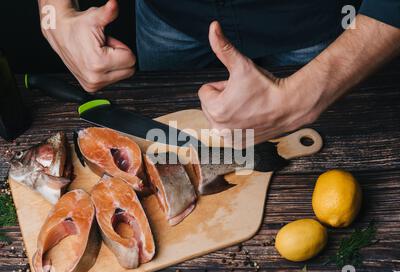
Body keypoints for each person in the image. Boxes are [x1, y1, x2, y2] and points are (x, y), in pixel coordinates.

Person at [38, 0, 400, 142]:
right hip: (168, 20)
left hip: (324, 28)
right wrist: (54, 13)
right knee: (171, 152)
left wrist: (306, 96)